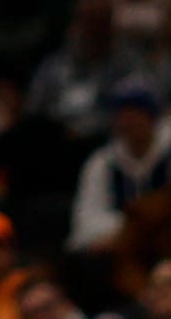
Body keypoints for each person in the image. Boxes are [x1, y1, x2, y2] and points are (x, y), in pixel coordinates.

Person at [72, 88, 171, 253]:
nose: (130, 122)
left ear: (152, 118)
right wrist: (131, 228)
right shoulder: (102, 163)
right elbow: (85, 220)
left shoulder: (168, 155)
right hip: (120, 246)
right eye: (124, 116)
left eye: (137, 114)